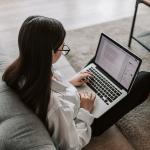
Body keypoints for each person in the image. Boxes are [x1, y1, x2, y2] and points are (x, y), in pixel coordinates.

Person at [2, 15, 150, 150]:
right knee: (144, 78)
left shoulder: (22, 70)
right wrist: (85, 110)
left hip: (74, 100)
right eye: (62, 47)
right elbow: (72, 145)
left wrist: (69, 83)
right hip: (87, 120)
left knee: (96, 65)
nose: (62, 50)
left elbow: (52, 90)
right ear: (49, 53)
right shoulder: (55, 107)